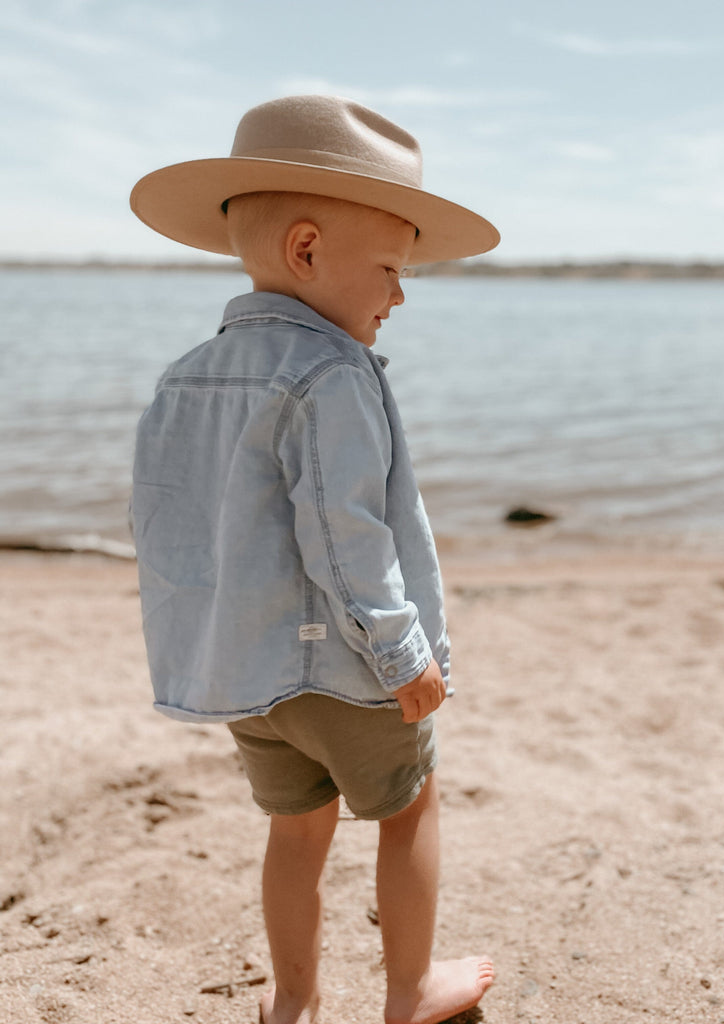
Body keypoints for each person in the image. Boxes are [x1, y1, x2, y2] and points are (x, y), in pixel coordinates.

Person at [129, 95, 500, 1024]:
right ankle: (410, 992)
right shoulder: (331, 375)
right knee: (409, 807)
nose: (400, 294)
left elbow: (172, 531)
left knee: (295, 831)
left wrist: (198, 652)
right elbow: (347, 538)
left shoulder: (183, 375)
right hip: (348, 671)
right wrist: (401, 652)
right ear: (306, 252)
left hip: (249, 677)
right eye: (389, 268)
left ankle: (293, 999)